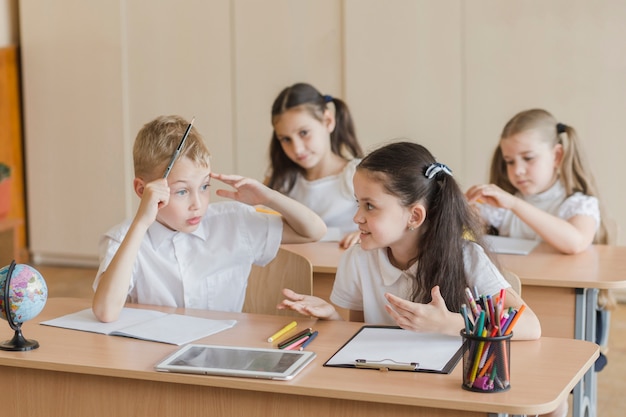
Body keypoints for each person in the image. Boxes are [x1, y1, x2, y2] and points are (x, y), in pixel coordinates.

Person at [278, 141, 541, 341]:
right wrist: (331, 316)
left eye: (370, 206)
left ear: (414, 215)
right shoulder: (357, 259)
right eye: (358, 203)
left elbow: (531, 325)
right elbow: (359, 334)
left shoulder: (465, 256)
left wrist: (449, 324)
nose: (357, 217)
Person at [92, 115, 326, 323]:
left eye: (204, 186)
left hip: (223, 355)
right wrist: (141, 223)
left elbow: (314, 231)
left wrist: (269, 197)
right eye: (182, 191)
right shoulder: (124, 239)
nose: (198, 204)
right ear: (143, 190)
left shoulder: (233, 222)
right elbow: (105, 312)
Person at [465, 108, 608, 254]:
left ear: (557, 156)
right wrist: (466, 213)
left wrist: (514, 204)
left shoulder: (580, 204)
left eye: (528, 158)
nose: (517, 170)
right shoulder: (500, 208)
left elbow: (576, 243)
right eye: (509, 161)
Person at [265, 82, 364, 248]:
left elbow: (390, 221)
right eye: (286, 139)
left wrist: (369, 235)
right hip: (296, 271)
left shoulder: (357, 175)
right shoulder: (281, 183)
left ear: (328, 121)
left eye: (304, 133)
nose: (297, 149)